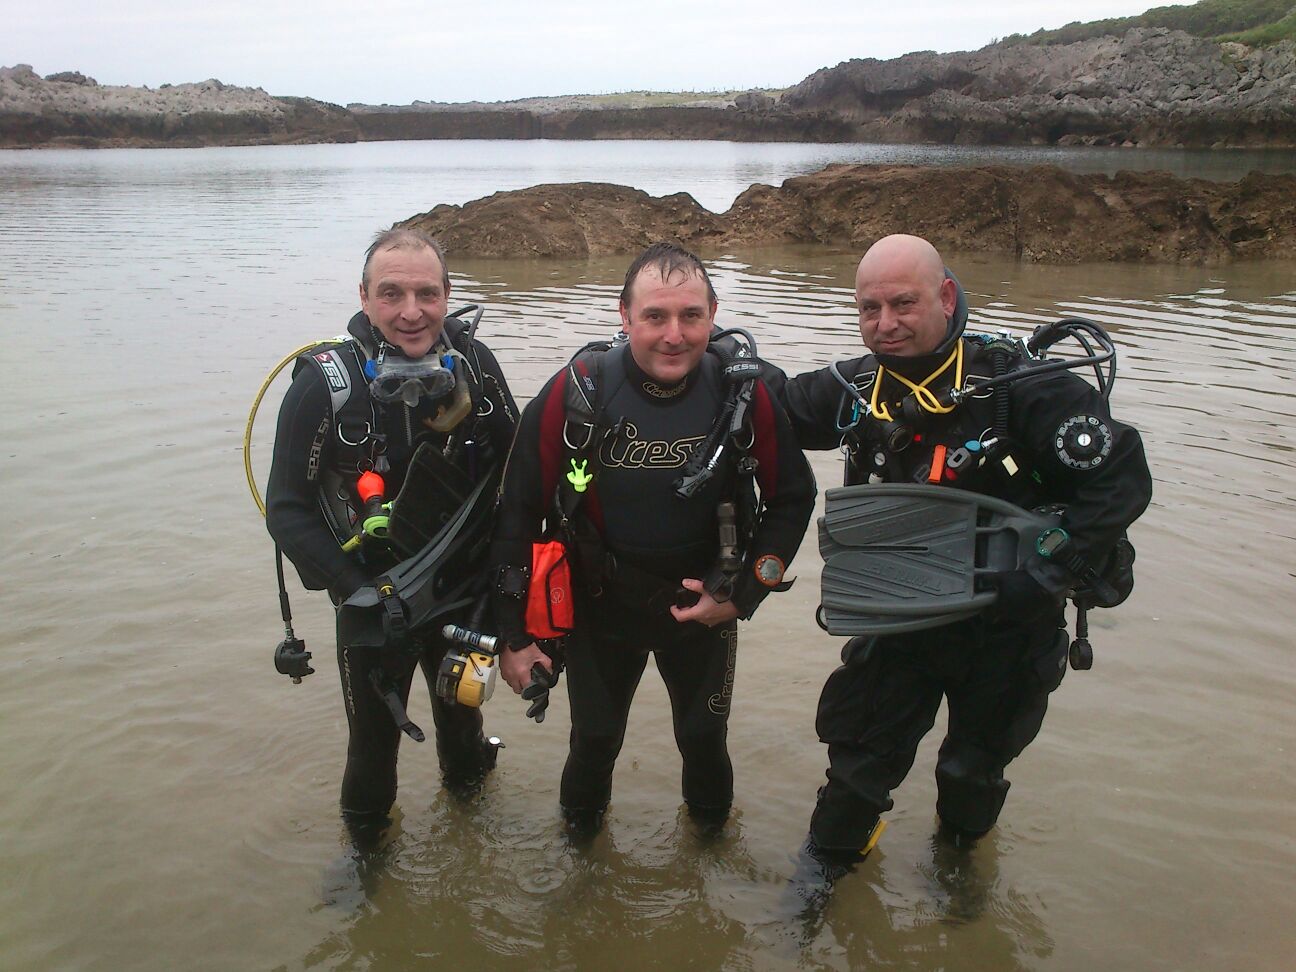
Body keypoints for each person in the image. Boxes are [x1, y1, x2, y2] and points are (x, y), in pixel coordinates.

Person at [770, 234, 1152, 861]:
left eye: (904, 304)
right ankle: (820, 881)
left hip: (1008, 629)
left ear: (946, 297)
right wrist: (701, 353)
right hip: (902, 618)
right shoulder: (856, 389)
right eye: (870, 308)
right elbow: (768, 407)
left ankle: (960, 876)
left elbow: (1123, 478)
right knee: (856, 774)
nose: (885, 324)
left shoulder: (1022, 389)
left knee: (971, 776)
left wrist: (1045, 567)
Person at [490, 242, 817, 832]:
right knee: (593, 740)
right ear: (624, 316)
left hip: (704, 610)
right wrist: (514, 637)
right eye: (655, 316)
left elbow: (793, 496)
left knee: (704, 739)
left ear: (713, 315)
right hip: (598, 608)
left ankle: (711, 863)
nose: (674, 335)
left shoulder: (742, 395)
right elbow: (516, 512)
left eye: (691, 315)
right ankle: (581, 863)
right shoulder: (577, 391)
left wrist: (745, 593)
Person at [266, 228, 518, 834]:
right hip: (373, 600)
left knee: (464, 730)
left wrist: (515, 588)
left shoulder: (476, 366)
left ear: (448, 294)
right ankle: (365, 865)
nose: (412, 312)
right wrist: (358, 589)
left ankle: (471, 849)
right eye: (392, 293)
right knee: (373, 750)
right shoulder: (326, 385)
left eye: (428, 294)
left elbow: (521, 474)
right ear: (364, 296)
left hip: (463, 592)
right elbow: (286, 509)